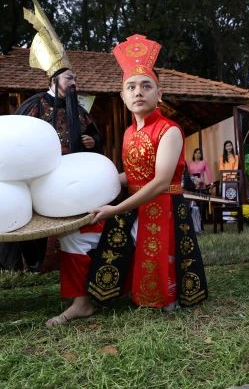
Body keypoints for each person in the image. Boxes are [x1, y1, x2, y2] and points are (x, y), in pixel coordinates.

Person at [87, 34, 208, 311]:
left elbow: (161, 181)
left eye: (146, 86)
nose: (138, 92)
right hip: (135, 205)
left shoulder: (169, 130)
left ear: (159, 94)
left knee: (163, 265)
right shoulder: (129, 132)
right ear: (123, 96)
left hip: (164, 205)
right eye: (131, 87)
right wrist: (95, 184)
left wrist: (115, 210)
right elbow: (131, 175)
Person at [0, 0, 103, 280]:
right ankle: (27, 263)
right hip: (37, 173)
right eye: (69, 78)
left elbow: (94, 135)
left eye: (75, 78)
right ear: (54, 80)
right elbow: (16, 137)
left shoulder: (79, 109)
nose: (74, 83)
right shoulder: (35, 105)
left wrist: (93, 142)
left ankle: (63, 258)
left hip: (70, 174)